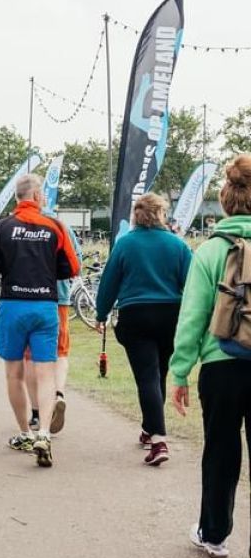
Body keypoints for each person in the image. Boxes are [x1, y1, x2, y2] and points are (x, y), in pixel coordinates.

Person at [170, 156, 251, 558]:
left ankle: (214, 534)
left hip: (221, 364)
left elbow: (193, 317)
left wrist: (180, 371)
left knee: (220, 450)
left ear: (226, 200)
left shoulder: (210, 251)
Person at [0, 173, 80, 468]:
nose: (44, 199)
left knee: (14, 374)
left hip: (13, 305)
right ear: (34, 196)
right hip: (45, 306)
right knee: (46, 373)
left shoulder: (1, 228)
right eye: (43, 195)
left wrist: (8, 267)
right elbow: (72, 267)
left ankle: (25, 433)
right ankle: (44, 434)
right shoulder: (55, 226)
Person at [95, 192, 192, 467]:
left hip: (135, 315)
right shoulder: (178, 245)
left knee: (147, 376)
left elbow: (109, 283)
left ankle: (158, 439)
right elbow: (192, 283)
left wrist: (101, 313)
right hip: (171, 315)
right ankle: (150, 428)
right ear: (161, 214)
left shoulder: (125, 244)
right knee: (159, 373)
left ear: (137, 216)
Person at [26, 216, 82, 435]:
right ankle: (58, 393)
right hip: (59, 298)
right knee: (60, 353)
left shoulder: (18, 226)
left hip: (29, 298)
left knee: (30, 357)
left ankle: (37, 412)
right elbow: (75, 263)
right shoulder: (61, 226)